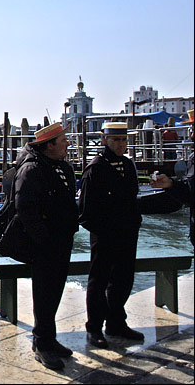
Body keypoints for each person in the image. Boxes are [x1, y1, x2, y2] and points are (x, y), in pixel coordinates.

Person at [13, 122, 78, 370]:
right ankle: (41, 343)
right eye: (63, 142)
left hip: (61, 242)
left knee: (55, 292)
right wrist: (44, 240)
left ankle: (48, 338)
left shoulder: (62, 167)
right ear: (49, 145)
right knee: (44, 294)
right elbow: (25, 209)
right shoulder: (32, 169)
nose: (67, 145)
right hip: (45, 245)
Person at [79, 122, 143, 349]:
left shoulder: (127, 164)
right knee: (99, 281)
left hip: (127, 233)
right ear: (105, 140)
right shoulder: (96, 168)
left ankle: (116, 322)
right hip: (105, 235)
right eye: (116, 140)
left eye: (124, 140)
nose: (121, 144)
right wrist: (103, 230)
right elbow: (86, 210)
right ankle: (94, 327)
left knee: (123, 279)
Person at [151, 109, 195, 247]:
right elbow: (190, 194)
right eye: (191, 129)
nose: (192, 135)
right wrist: (171, 184)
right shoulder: (193, 159)